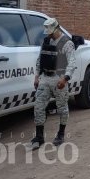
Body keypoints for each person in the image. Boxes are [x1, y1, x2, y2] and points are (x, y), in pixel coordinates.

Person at [30, 18, 76, 149]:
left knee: (62, 108)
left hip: (59, 78)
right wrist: (37, 76)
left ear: (57, 29)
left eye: (50, 31)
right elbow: (40, 59)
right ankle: (39, 137)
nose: (48, 34)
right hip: (45, 77)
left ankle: (61, 134)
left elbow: (72, 63)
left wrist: (65, 78)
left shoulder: (67, 43)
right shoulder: (46, 41)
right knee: (38, 107)